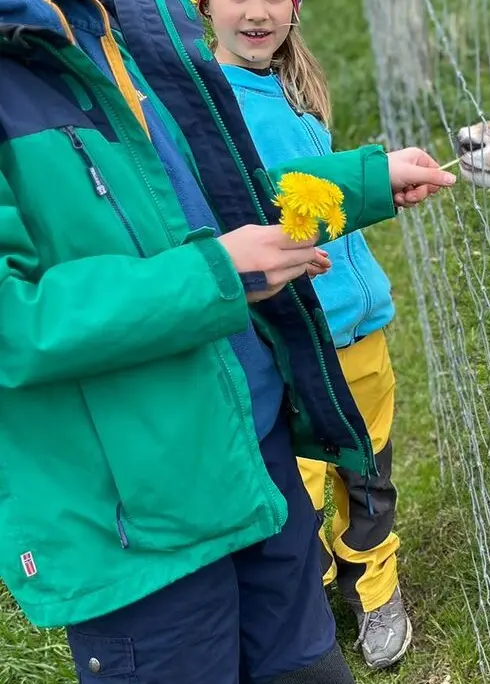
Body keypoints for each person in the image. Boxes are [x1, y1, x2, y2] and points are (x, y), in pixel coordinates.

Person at [0, 1, 456, 682]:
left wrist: (360, 181)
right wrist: (216, 274)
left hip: (253, 453)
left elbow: (205, 199)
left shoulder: (123, 29)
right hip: (141, 525)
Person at [201, 0, 413, 669]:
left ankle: (375, 582)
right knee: (302, 483)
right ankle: (310, 594)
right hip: (293, 342)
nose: (257, 12)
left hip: (362, 329)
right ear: (202, 6)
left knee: (370, 468)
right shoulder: (203, 106)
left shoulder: (294, 91)